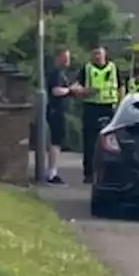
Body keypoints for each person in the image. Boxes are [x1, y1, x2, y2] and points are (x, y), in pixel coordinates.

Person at [78, 46, 120, 183]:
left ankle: (109, 173)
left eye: (100, 54)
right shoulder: (87, 68)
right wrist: (86, 91)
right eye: (95, 54)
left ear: (105, 55)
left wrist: (121, 105)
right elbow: (75, 87)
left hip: (109, 108)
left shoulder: (113, 68)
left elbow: (120, 87)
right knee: (89, 142)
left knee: (110, 142)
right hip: (91, 107)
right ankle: (89, 173)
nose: (97, 57)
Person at [43, 48, 80, 185]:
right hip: (55, 111)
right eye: (65, 57)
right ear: (58, 58)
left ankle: (53, 171)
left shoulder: (62, 74)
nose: (68, 61)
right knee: (55, 142)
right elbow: (56, 91)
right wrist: (70, 90)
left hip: (59, 111)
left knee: (57, 142)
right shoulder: (56, 74)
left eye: (68, 57)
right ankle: (52, 173)